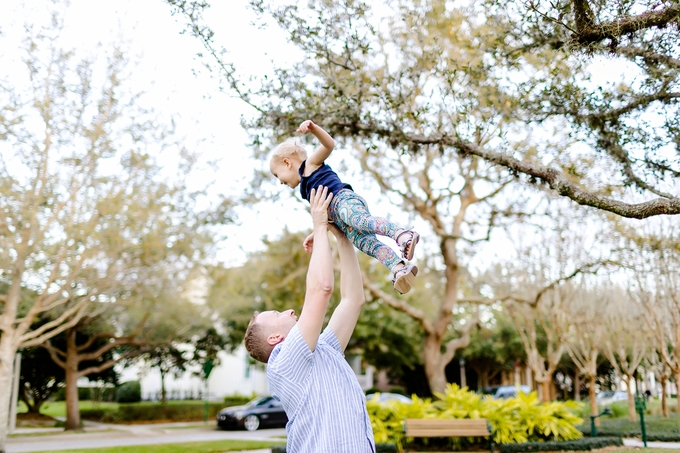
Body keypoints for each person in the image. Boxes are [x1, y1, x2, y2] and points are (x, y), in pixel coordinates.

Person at [244, 186, 375, 453]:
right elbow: (321, 289)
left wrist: (342, 238)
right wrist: (318, 224)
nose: (290, 311)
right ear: (274, 339)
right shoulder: (284, 361)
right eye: (279, 314)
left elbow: (352, 300)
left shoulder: (323, 350)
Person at [270, 119, 419, 294]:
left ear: (287, 163)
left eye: (276, 174)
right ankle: (398, 268)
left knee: (360, 221)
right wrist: (316, 233)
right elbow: (324, 214)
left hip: (344, 201)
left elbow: (329, 144)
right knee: (366, 244)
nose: (279, 181)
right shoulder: (305, 190)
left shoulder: (309, 165)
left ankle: (401, 234)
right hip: (340, 220)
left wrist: (314, 129)